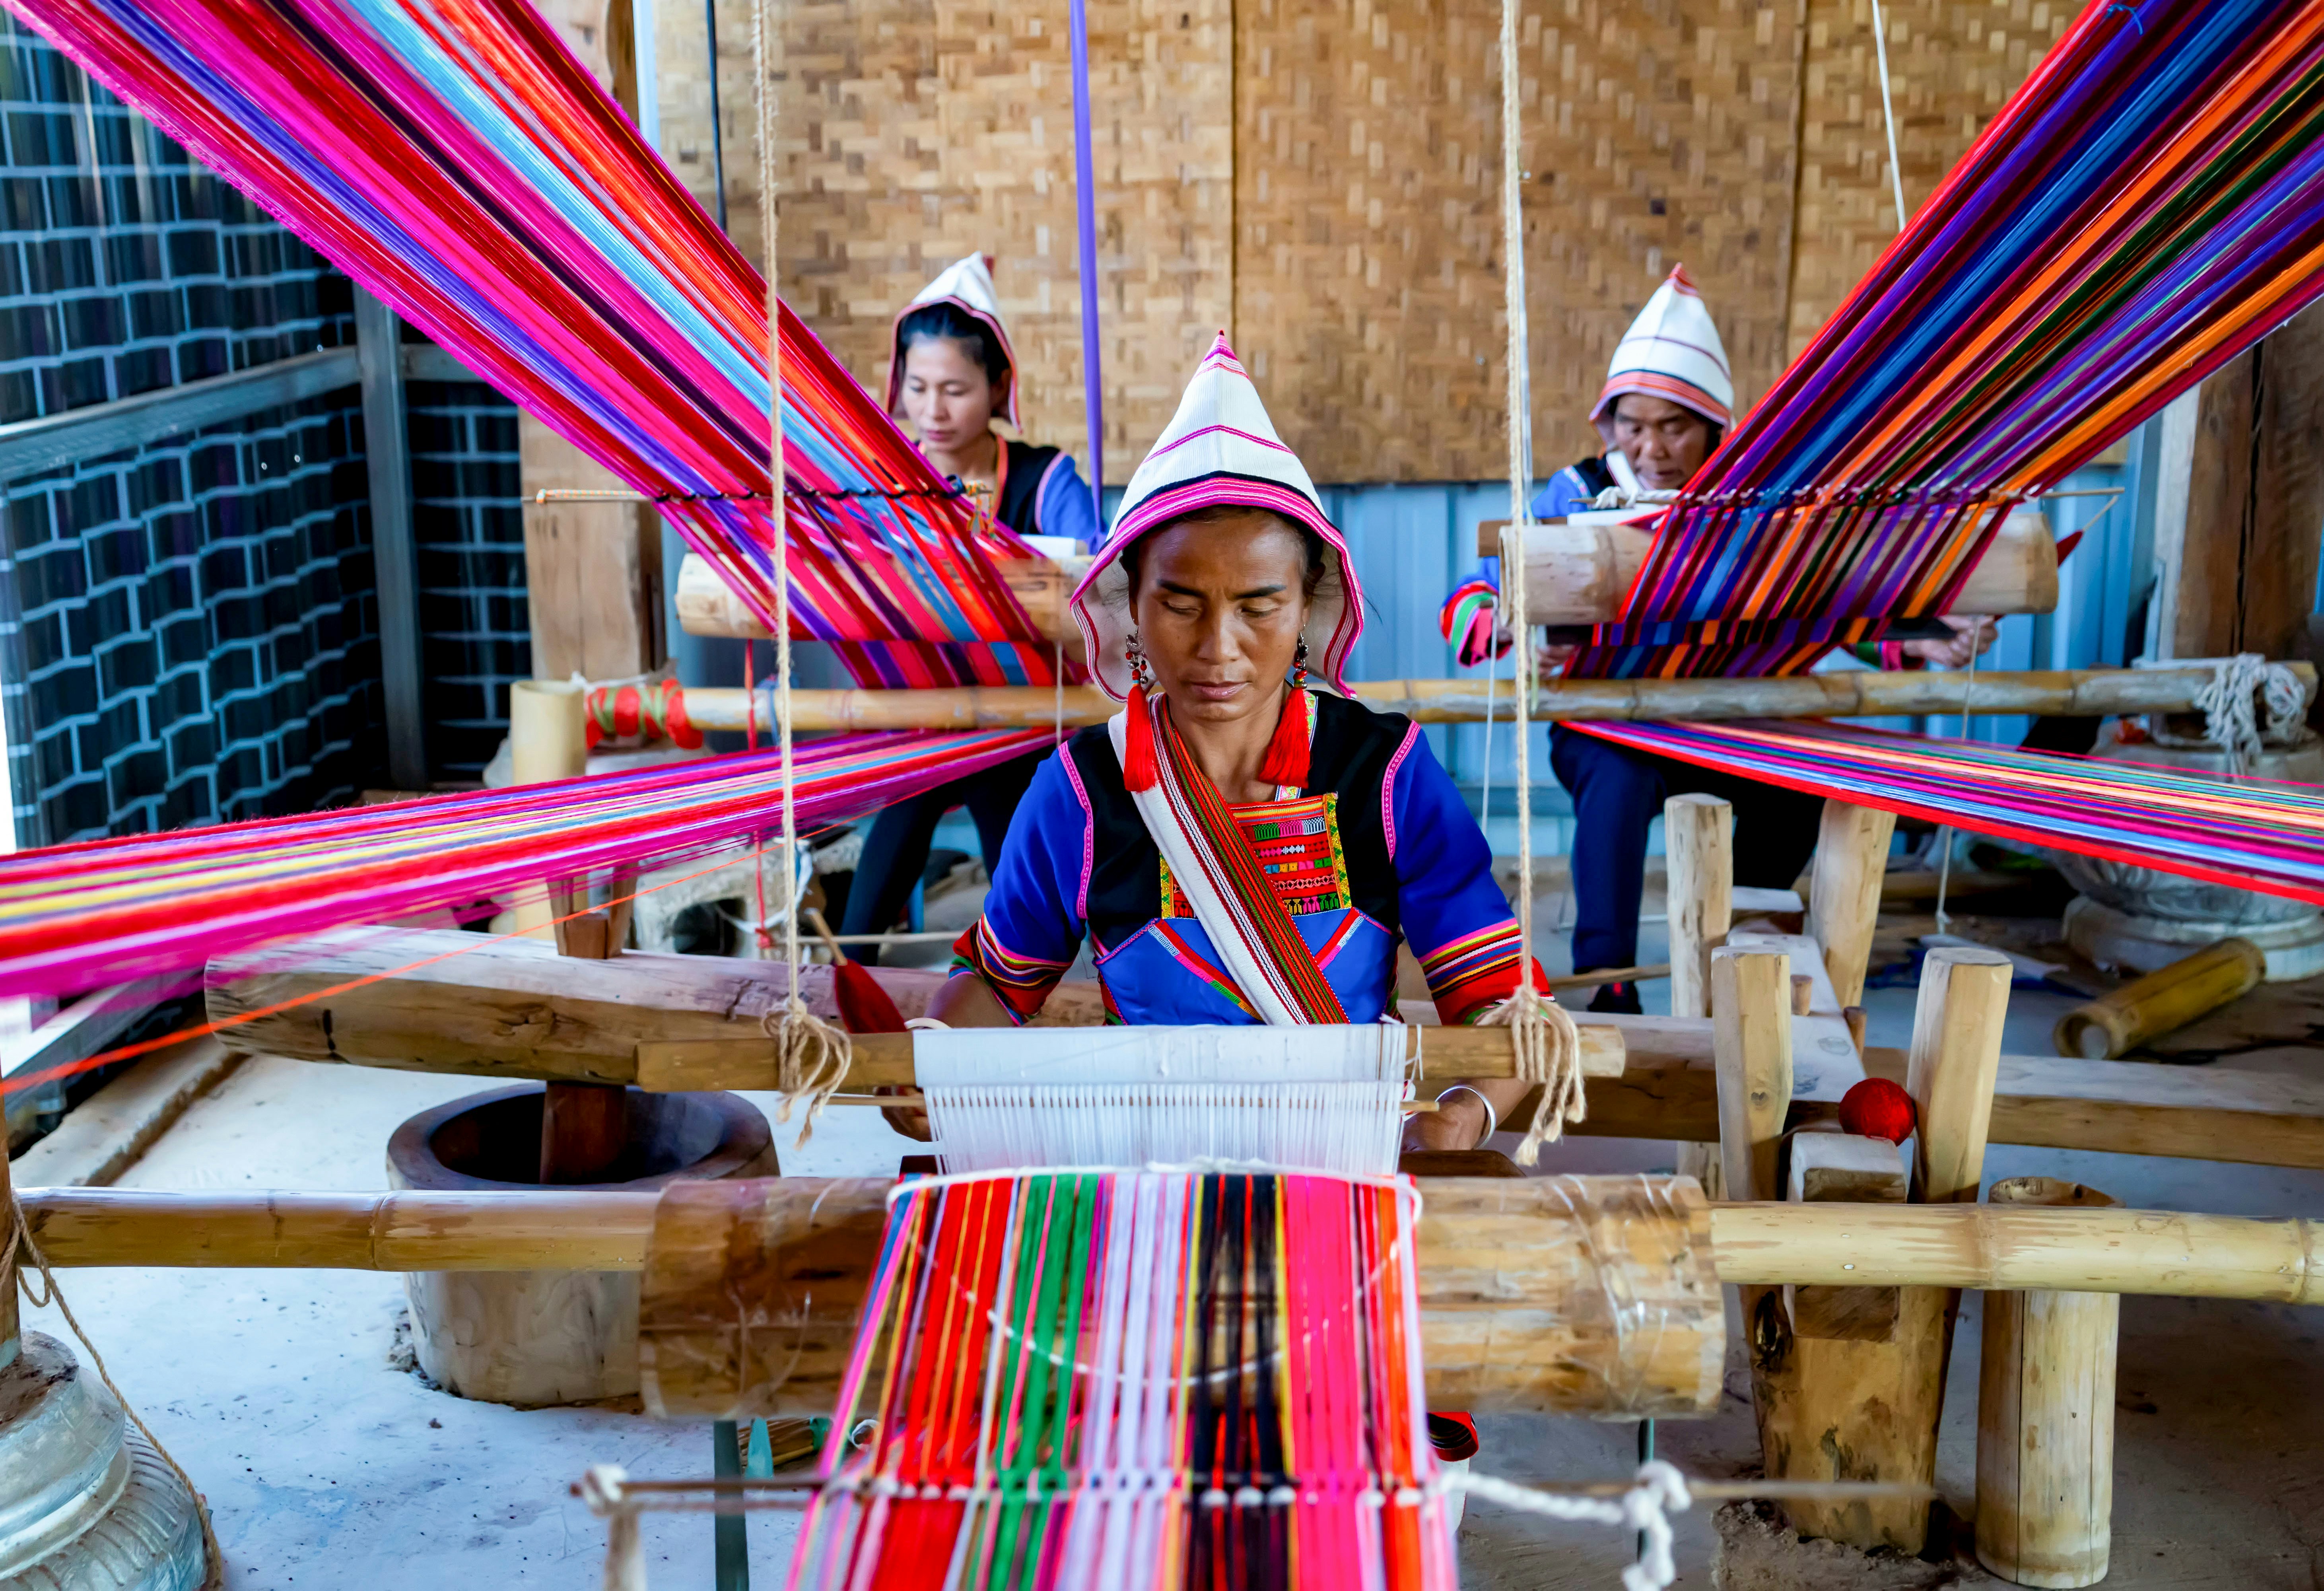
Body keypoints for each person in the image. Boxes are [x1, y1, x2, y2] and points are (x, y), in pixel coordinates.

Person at [923, 332, 1551, 1159]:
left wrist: (1458, 1119)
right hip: (1152, 1168)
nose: (1220, 646)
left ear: (1306, 607)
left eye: (1258, 605)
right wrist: (922, 1057)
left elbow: (1504, 1005)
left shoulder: (1385, 773)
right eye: (1181, 604)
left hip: (1343, 1159)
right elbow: (1000, 986)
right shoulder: (1082, 790)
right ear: (1132, 607)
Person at [1439, 265, 1996, 1011]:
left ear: (1712, 430)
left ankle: (1743, 944)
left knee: (1801, 783)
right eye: (1633, 426)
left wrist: (1923, 641)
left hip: (1725, 722)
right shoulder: (1575, 495)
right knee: (1620, 775)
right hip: (1606, 725)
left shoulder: (1754, 510)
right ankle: (1611, 982)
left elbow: (1815, 605)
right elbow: (1475, 594)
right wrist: (1509, 621)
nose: (1652, 448)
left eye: (1673, 427)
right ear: (1609, 425)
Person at [838, 255, 1101, 963]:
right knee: (916, 775)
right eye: (918, 388)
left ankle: (1011, 976)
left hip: (1021, 716)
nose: (933, 411)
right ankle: (849, 970)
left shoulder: (1046, 478)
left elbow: (1090, 566)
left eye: (954, 389)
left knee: (1000, 792)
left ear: (997, 389)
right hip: (920, 710)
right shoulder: (880, 482)